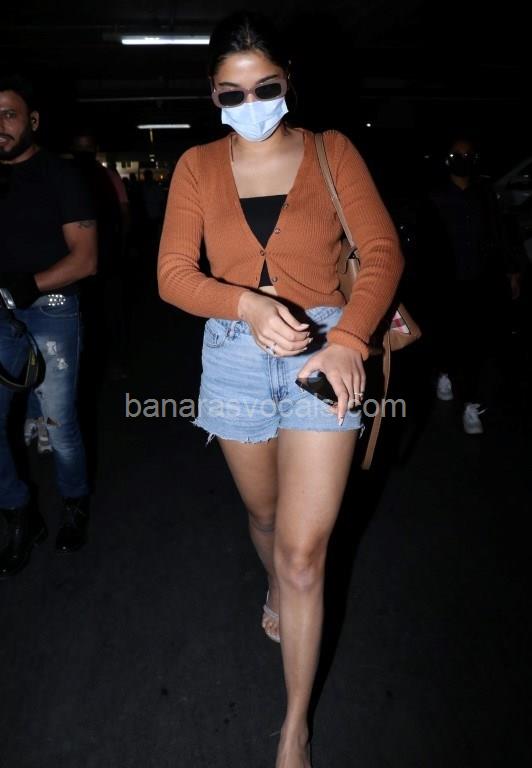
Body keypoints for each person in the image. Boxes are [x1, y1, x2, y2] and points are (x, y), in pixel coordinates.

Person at [157, 12, 404, 768]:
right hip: (234, 354)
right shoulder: (197, 166)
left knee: (303, 554)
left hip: (325, 350)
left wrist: (350, 340)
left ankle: (294, 727)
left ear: (288, 80)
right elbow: (172, 275)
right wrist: (248, 304)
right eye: (232, 93)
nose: (251, 103)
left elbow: (382, 251)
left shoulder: (333, 150)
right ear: (213, 95)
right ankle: (274, 588)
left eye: (265, 87)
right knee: (265, 517)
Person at [0, 76, 97, 577]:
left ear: (32, 121)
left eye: (8, 114)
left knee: (58, 424)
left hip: (52, 307)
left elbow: (86, 259)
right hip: (0, 313)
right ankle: (19, 513)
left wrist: (28, 285)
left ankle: (74, 504)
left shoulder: (60, 175)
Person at [418, 136, 523, 434]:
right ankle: (446, 370)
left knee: (477, 342)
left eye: (468, 155)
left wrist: (512, 271)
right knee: (448, 336)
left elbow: (501, 233)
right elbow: (424, 243)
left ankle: (470, 403)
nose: (463, 160)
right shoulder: (434, 196)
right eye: (457, 155)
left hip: (481, 281)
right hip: (445, 283)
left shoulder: (485, 195)